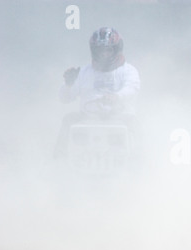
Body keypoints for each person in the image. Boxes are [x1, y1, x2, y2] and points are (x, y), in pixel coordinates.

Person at [54, 27, 141, 158]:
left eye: (108, 50)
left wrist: (117, 96)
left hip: (120, 118)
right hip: (88, 119)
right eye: (100, 51)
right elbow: (64, 98)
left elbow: (132, 88)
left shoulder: (128, 70)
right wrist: (68, 85)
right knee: (68, 120)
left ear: (117, 49)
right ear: (93, 51)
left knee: (136, 124)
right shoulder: (84, 72)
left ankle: (140, 164)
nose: (104, 54)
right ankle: (58, 163)